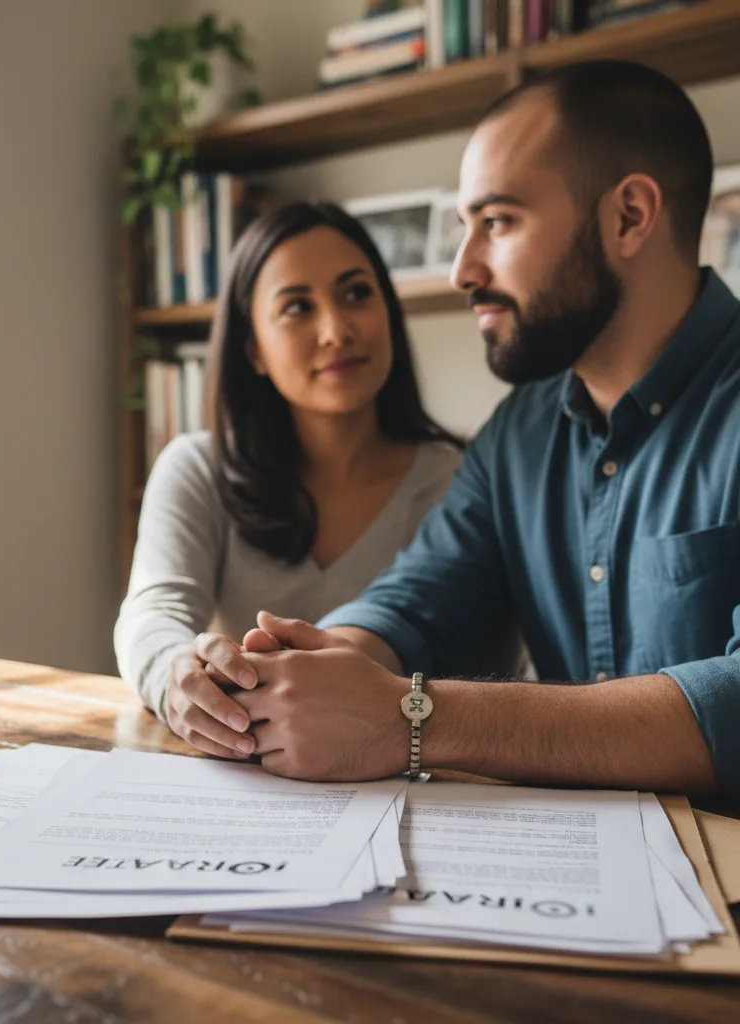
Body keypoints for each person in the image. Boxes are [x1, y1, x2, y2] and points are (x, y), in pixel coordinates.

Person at [199, 60, 740, 795]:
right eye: (464, 228)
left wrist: (412, 718)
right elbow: (421, 599)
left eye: (498, 222)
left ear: (629, 217)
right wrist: (315, 664)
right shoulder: (516, 434)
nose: (462, 269)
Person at [114, 202, 463, 760]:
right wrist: (173, 676)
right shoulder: (197, 468)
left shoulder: (461, 481)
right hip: (256, 780)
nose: (336, 330)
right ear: (253, 348)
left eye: (356, 294)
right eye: (298, 307)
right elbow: (153, 614)